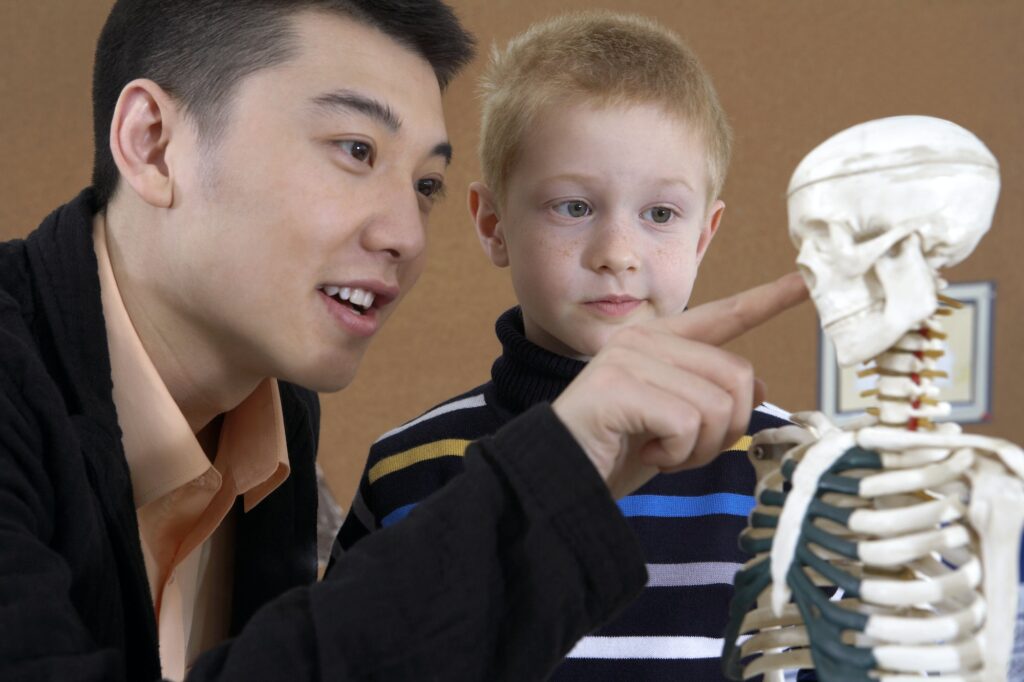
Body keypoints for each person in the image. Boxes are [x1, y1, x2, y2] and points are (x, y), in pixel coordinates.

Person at [0, 1, 806, 680]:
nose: (405, 235)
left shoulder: (275, 423)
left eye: (423, 185)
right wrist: (556, 478)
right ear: (152, 141)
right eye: (356, 150)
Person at [335, 12, 793, 680]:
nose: (618, 255)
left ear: (704, 235)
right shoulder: (407, 471)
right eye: (573, 207)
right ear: (492, 223)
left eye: (660, 215)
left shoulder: (791, 473)